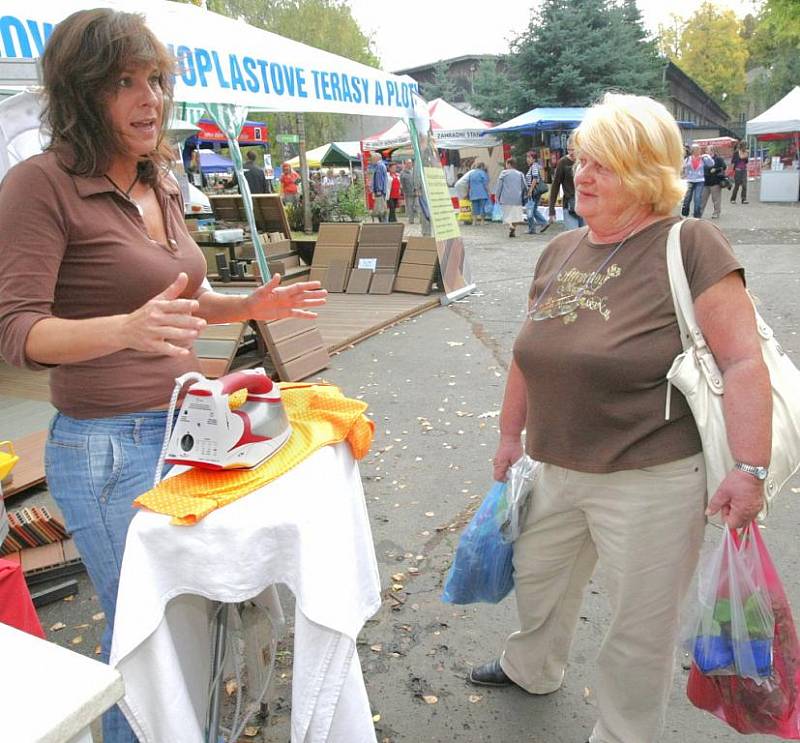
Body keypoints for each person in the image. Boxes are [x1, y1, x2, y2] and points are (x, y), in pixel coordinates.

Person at [0, 10, 328, 742]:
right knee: (147, 647)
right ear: (81, 92)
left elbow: (176, 296)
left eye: (155, 79)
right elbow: (16, 333)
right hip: (106, 450)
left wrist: (246, 303)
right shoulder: (38, 186)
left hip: (189, 429)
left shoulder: (161, 178)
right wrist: (124, 330)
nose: (148, 99)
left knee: (197, 626)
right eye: (124, 82)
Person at [468, 93, 771, 743]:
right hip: (551, 463)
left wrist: (750, 469)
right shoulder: (560, 250)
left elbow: (744, 361)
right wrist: (507, 435)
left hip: (652, 476)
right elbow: (528, 351)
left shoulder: (690, 244)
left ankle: (625, 731)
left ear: (647, 172)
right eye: (582, 160)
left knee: (640, 626)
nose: (583, 174)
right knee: (538, 577)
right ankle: (532, 665)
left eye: (604, 163)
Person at [548, 142, 583, 230]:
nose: (571, 152)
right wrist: (551, 210)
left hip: (585, 204)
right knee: (573, 235)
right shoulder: (563, 162)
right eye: (568, 150)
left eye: (573, 150)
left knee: (585, 237)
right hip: (569, 204)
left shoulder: (585, 161)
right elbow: (555, 186)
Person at [495, 158, 527, 238]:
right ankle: (513, 229)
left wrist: (497, 196)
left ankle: (510, 226)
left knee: (507, 214)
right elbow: (524, 186)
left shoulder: (504, 173)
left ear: (509, 164)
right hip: (517, 198)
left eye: (506, 164)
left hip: (506, 198)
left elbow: (499, 186)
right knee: (516, 216)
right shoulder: (520, 174)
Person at [680, 144, 710, 218]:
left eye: (698, 150)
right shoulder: (688, 159)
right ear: (692, 151)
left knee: (697, 198)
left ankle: (697, 215)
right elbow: (682, 168)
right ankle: (685, 213)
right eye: (696, 150)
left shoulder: (703, 159)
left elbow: (711, 164)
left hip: (700, 180)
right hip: (689, 180)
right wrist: (682, 175)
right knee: (687, 198)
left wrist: (707, 157)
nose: (697, 151)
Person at [524, 150, 549, 234]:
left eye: (529, 157)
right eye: (527, 157)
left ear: (534, 159)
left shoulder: (534, 167)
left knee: (530, 210)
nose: (527, 159)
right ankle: (542, 223)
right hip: (535, 191)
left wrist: (530, 190)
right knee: (533, 210)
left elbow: (535, 178)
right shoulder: (535, 166)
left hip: (533, 191)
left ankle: (533, 228)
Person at [700, 145, 726, 219]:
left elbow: (724, 167)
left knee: (716, 199)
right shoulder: (704, 159)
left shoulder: (718, 159)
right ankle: (699, 213)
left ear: (712, 151)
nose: (706, 151)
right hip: (705, 182)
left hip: (715, 182)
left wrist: (716, 169)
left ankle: (716, 213)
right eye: (706, 150)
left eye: (707, 150)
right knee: (702, 199)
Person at [370, 152, 388, 223]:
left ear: (376, 158)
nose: (371, 160)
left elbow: (379, 179)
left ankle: (384, 224)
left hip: (379, 191)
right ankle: (384, 223)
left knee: (381, 209)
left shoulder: (379, 166)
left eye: (372, 159)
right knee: (382, 208)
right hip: (382, 191)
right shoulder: (381, 165)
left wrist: (378, 190)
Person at [399, 159, 419, 223]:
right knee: (410, 206)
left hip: (416, 191)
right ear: (405, 164)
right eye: (407, 163)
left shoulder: (415, 171)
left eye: (410, 163)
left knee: (417, 205)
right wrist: (404, 191)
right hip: (408, 192)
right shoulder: (402, 173)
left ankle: (420, 219)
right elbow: (402, 183)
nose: (409, 164)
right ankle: (411, 220)